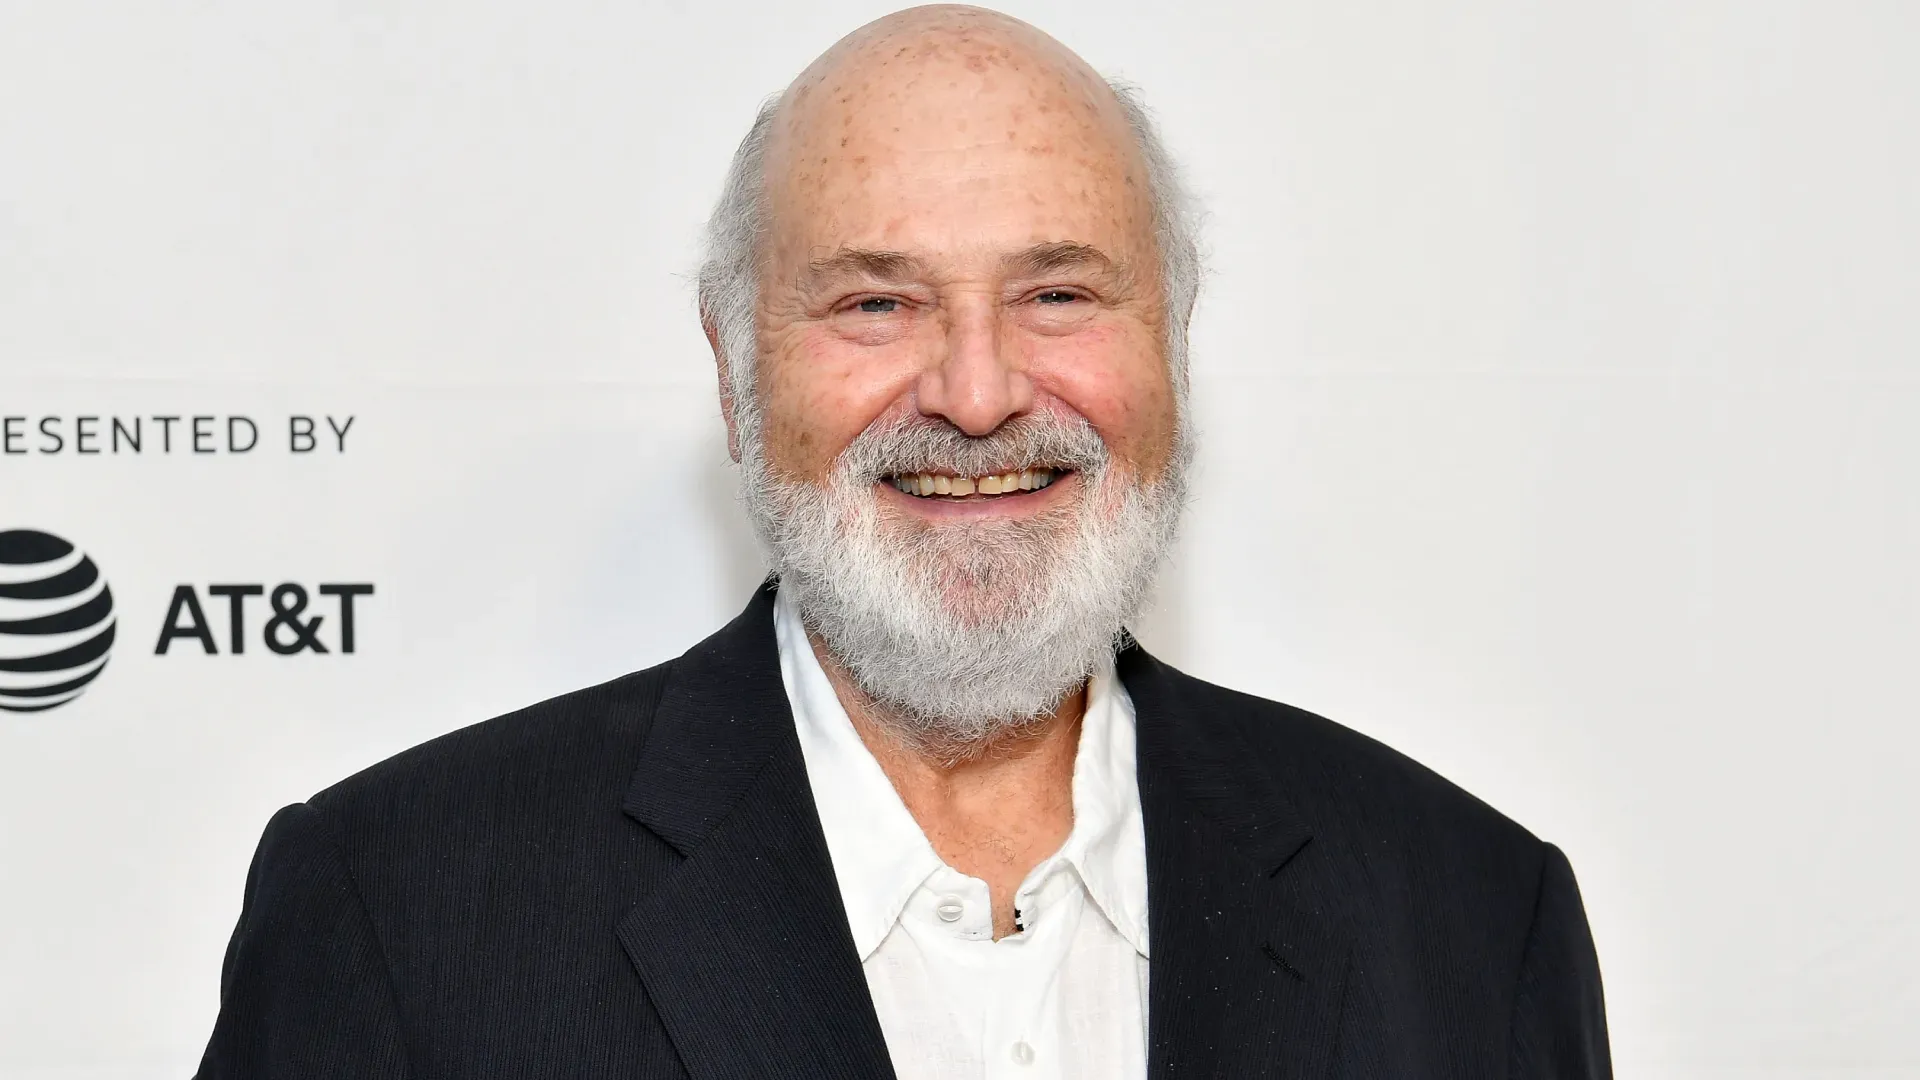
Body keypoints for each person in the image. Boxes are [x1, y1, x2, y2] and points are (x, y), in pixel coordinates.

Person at [194, 6, 1610, 1078]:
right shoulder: (399, 910)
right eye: (876, 305)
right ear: (736, 369)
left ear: (1170, 344)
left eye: (1059, 293)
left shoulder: (1469, 917)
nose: (979, 392)